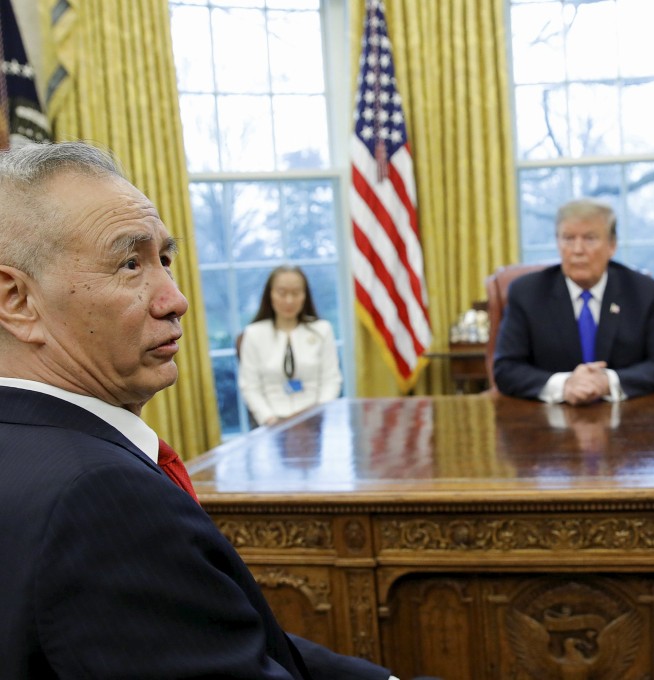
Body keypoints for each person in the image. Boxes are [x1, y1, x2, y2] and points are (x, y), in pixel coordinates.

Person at [0, 141, 397, 679]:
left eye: (164, 258)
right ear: (17, 301)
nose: (175, 298)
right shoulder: (100, 499)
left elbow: (218, 635)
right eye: (128, 263)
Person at [492, 198, 654, 404]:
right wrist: (565, 385)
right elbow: (505, 369)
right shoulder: (527, 293)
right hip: (546, 422)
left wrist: (607, 382)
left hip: (627, 419)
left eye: (589, 239)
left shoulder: (644, 293)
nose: (577, 250)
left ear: (612, 245)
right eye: (568, 239)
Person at [239, 265, 342, 426]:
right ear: (270, 295)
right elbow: (250, 387)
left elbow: (331, 380)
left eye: (296, 293)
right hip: (272, 423)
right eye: (282, 293)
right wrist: (270, 420)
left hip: (314, 420)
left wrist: (318, 415)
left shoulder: (322, 330)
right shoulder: (253, 333)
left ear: (305, 296)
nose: (289, 300)